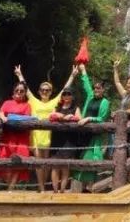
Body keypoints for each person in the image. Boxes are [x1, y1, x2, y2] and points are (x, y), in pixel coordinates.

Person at [16, 64, 77, 192]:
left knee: (47, 163)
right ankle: (42, 187)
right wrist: (19, 74)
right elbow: (26, 89)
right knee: (39, 162)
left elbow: (64, 90)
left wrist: (72, 75)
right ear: (39, 91)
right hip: (36, 136)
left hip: (49, 136)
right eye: (43, 90)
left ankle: (44, 184)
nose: (45, 92)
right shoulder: (33, 100)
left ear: (50, 92)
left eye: (47, 90)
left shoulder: (54, 102)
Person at [73, 64, 111, 190]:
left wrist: (89, 119)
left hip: (94, 136)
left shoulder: (105, 102)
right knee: (82, 160)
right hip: (83, 134)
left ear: (103, 90)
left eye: (99, 88)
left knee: (90, 160)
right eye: (95, 88)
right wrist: (83, 71)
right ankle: (83, 189)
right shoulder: (90, 97)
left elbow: (102, 119)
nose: (96, 90)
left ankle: (90, 189)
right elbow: (86, 85)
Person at [0, 82, 32, 190]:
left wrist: (11, 118)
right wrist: (4, 118)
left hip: (21, 137)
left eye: (22, 91)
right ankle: (7, 184)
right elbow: (1, 112)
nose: (19, 93)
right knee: (4, 159)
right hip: (8, 135)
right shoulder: (7, 103)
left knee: (19, 162)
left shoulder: (27, 105)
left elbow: (27, 118)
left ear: (25, 93)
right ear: (13, 91)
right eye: (17, 90)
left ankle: (11, 188)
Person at [48, 86, 81, 192]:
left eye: (69, 94)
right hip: (56, 139)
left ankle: (62, 190)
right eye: (64, 94)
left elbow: (79, 118)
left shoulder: (76, 108)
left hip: (69, 141)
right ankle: (55, 190)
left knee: (65, 166)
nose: (66, 96)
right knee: (55, 165)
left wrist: (70, 117)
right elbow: (51, 116)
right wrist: (63, 116)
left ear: (72, 96)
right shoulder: (57, 107)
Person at [111, 64, 130, 156]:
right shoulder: (125, 94)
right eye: (129, 83)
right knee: (122, 150)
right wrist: (115, 69)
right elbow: (117, 82)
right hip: (121, 126)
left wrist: (118, 112)